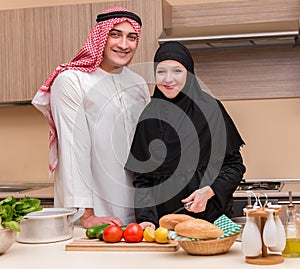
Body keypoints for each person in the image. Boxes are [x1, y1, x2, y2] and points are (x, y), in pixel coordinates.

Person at [31, 7, 150, 228]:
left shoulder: (138, 84)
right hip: (93, 217)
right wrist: (86, 215)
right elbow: (73, 148)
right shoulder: (72, 81)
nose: (124, 45)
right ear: (100, 37)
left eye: (131, 37)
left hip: (138, 216)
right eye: (115, 34)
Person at [125, 41, 246, 229]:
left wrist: (209, 191)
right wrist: (146, 219)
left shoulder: (211, 110)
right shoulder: (149, 116)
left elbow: (234, 165)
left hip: (212, 222)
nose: (168, 79)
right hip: (165, 228)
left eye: (177, 71)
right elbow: (143, 179)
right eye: (161, 71)